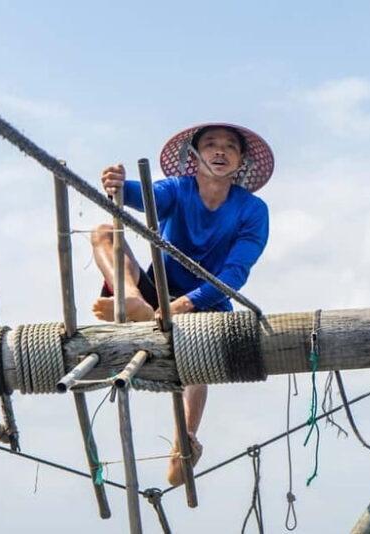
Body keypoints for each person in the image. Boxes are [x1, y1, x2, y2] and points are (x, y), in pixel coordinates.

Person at [90, 123, 274, 485]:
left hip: (209, 307)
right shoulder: (178, 190)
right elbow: (145, 197)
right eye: (210, 145)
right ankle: (130, 300)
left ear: (241, 161)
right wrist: (116, 184)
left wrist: (187, 305)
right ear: (195, 156)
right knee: (103, 232)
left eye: (229, 147)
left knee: (195, 360)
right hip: (156, 295)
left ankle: (183, 442)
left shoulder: (252, 210)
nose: (219, 152)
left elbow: (235, 274)